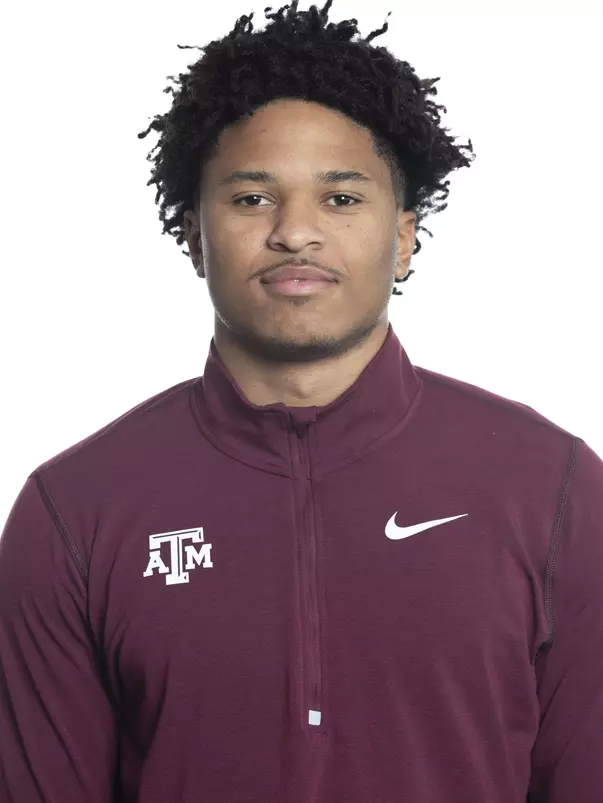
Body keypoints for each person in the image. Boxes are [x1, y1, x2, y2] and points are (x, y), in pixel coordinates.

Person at [0, 0, 601, 800]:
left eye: (341, 199)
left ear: (404, 236)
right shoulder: (73, 511)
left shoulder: (553, 488)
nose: (295, 232)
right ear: (191, 234)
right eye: (251, 198)